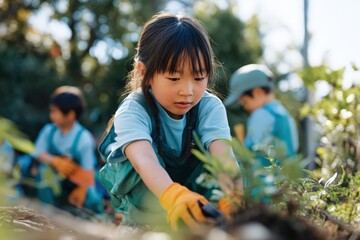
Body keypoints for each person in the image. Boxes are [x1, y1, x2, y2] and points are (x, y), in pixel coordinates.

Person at [98, 12, 241, 230]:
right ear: (144, 72)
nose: (188, 91)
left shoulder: (209, 107)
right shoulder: (133, 110)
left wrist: (233, 198)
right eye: (174, 78)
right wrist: (174, 196)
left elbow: (224, 158)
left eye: (198, 78)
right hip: (145, 215)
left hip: (196, 212)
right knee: (135, 163)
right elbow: (144, 161)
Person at [32, 86, 103, 213]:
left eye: (54, 111)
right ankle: (46, 211)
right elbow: (37, 152)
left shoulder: (84, 138)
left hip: (77, 179)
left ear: (70, 115)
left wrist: (82, 188)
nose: (51, 115)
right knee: (44, 170)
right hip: (53, 179)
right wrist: (55, 161)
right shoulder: (49, 130)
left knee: (92, 199)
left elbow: (88, 171)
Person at [223, 64, 299, 166]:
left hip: (266, 180)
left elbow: (248, 155)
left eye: (245, 102)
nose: (245, 108)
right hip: (288, 178)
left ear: (258, 92)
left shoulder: (261, 114)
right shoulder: (285, 114)